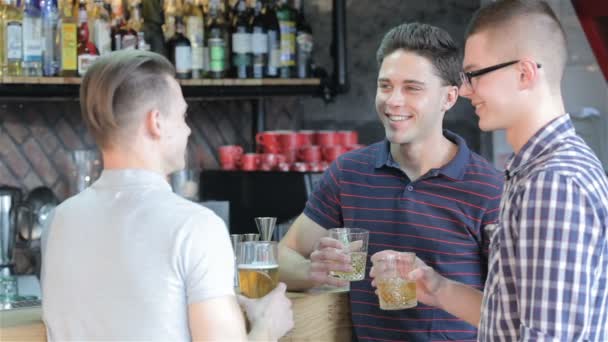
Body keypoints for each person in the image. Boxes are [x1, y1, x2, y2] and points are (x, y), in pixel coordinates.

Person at [371, 1, 608, 341]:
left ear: (524, 74)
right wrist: (437, 288)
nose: (466, 90)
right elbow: (510, 317)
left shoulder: (553, 182)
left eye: (475, 74)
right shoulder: (532, 170)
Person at [41, 50, 293, 341]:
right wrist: (268, 325)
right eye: (183, 115)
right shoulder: (195, 227)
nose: (187, 129)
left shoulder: (59, 221)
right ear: (156, 122)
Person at [278, 22, 504, 341]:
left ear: (449, 97)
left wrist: (439, 287)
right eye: (385, 86)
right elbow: (283, 253)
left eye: (412, 88)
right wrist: (310, 272)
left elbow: (515, 313)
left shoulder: (490, 189)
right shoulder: (349, 173)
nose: (393, 101)